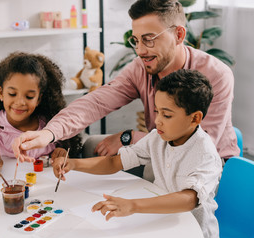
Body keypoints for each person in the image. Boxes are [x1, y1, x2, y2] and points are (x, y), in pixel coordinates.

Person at [12, 0, 239, 171]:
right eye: (136, 40)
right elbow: (96, 102)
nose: (140, 50)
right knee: (92, 145)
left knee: (150, 172)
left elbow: (197, 144)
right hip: (157, 147)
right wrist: (49, 133)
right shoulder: (141, 67)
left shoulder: (216, 75)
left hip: (205, 162)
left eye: (149, 39)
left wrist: (128, 138)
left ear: (178, 34)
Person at [52, 69, 222, 238]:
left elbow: (189, 199)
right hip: (160, 220)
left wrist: (132, 205)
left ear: (195, 119)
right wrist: (73, 164)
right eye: (157, 111)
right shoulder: (158, 137)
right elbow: (114, 163)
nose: (157, 121)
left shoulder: (205, 154)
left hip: (193, 232)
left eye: (167, 115)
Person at [0, 52, 82, 177]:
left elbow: (60, 151)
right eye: (12, 94)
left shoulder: (50, 124)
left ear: (38, 99)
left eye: (29, 96)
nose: (20, 102)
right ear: (1, 93)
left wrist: (61, 152)